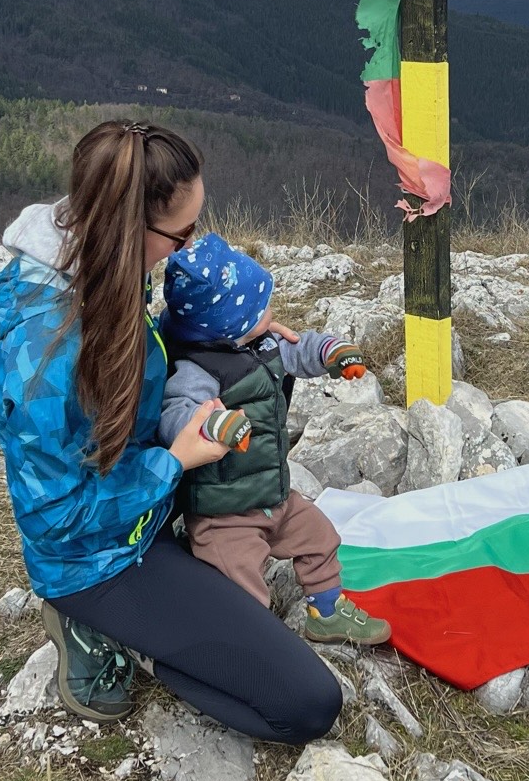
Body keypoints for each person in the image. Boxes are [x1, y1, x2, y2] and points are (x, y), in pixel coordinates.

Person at [0, 121, 343, 742]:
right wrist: (173, 463)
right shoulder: (44, 360)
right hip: (98, 561)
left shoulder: (105, 261)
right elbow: (54, 518)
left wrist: (240, 340)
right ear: (131, 228)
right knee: (307, 705)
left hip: (151, 511)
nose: (186, 249)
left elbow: (148, 363)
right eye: (182, 233)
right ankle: (96, 626)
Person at [156, 233, 391, 646]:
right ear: (228, 324)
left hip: (274, 497)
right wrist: (215, 424)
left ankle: (326, 613)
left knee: (321, 537)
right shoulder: (198, 370)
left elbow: (301, 347)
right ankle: (250, 646)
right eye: (260, 307)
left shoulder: (260, 342)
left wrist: (332, 352)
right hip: (223, 516)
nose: (271, 310)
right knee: (242, 586)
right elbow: (177, 414)